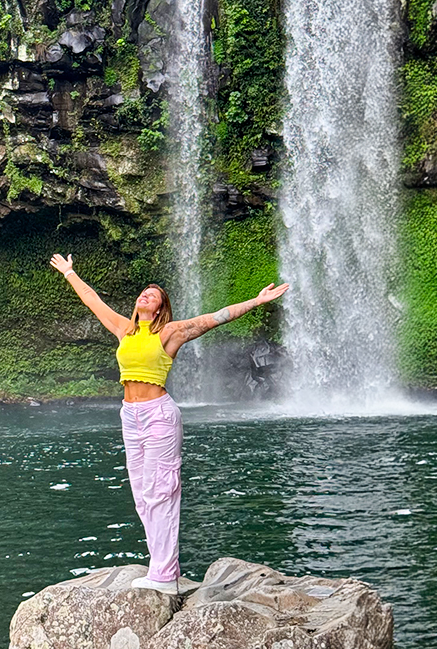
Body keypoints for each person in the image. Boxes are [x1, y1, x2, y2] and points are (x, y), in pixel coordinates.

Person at [49, 252, 289, 594]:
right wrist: (71, 273)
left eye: (154, 294)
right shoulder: (124, 328)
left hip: (159, 415)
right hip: (129, 416)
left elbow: (214, 318)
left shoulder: (170, 333)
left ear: (161, 308)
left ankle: (163, 576)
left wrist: (257, 300)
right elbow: (92, 300)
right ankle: (163, 568)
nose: (146, 295)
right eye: (143, 292)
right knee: (142, 495)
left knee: (161, 491)